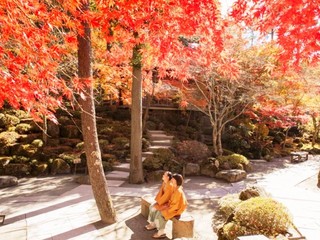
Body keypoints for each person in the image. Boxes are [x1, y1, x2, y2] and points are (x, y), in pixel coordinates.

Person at [151, 173, 187, 239]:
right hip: (172, 207)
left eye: (173, 180)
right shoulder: (175, 188)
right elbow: (171, 200)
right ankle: (159, 228)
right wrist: (165, 206)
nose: (172, 181)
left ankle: (161, 233)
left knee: (162, 214)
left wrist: (166, 208)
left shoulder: (178, 191)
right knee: (158, 210)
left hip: (176, 210)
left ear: (177, 181)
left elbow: (175, 206)